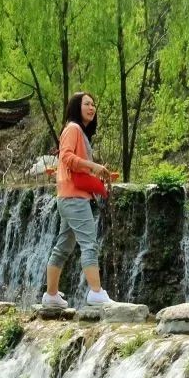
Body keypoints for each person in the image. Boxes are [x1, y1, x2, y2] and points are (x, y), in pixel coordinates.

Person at [42, 91, 117, 309]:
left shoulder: (80, 132)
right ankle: (96, 293)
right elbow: (65, 157)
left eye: (94, 105)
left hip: (68, 196)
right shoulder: (73, 128)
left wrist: (96, 173)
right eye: (87, 104)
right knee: (89, 244)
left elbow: (74, 163)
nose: (92, 108)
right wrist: (93, 166)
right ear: (77, 107)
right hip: (74, 198)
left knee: (63, 247)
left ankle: (51, 295)